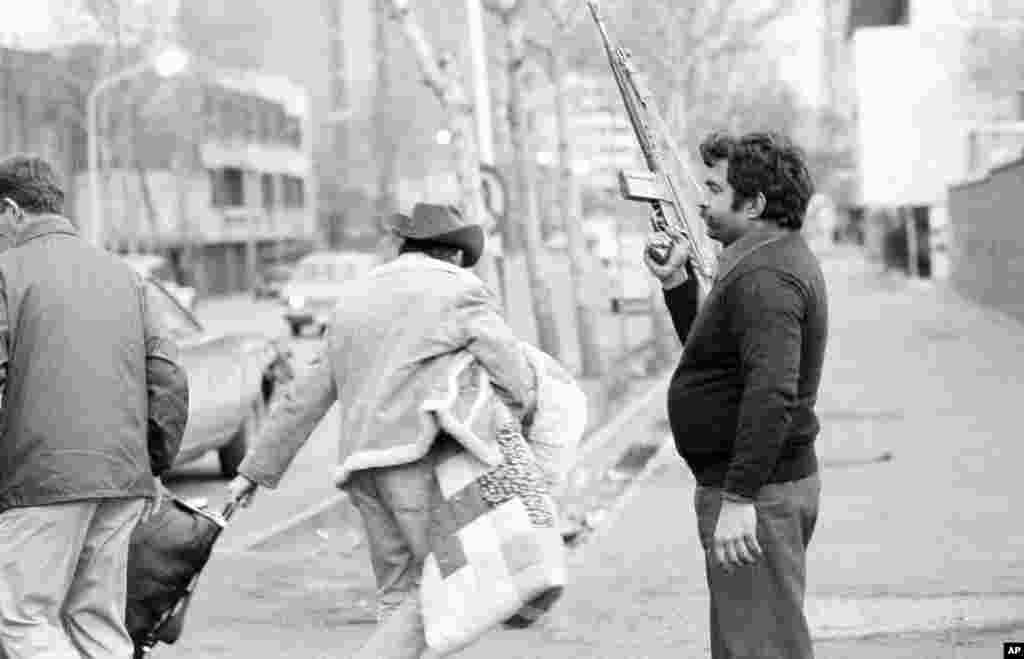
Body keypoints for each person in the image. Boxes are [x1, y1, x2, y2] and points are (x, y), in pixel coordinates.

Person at [227, 202, 539, 659]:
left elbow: (306, 395)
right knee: (442, 591)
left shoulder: (356, 297)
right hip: (419, 463)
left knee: (398, 594)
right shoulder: (461, 291)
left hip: (362, 472)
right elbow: (513, 375)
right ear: (452, 255)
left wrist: (252, 472)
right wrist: (512, 423)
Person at [644, 132, 828, 659]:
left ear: (754, 204)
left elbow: (773, 393)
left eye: (714, 188)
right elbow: (719, 362)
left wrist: (740, 498)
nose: (701, 200)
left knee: (762, 648)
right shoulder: (759, 262)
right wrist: (679, 283)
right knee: (748, 641)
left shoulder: (766, 275)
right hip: (754, 489)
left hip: (758, 494)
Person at [0, 154, 189, 659]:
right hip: (123, 478)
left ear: (11, 209)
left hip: (38, 480)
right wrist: (151, 463)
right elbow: (167, 378)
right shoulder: (126, 276)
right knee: (96, 620)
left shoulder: (6, 273)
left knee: (22, 619)